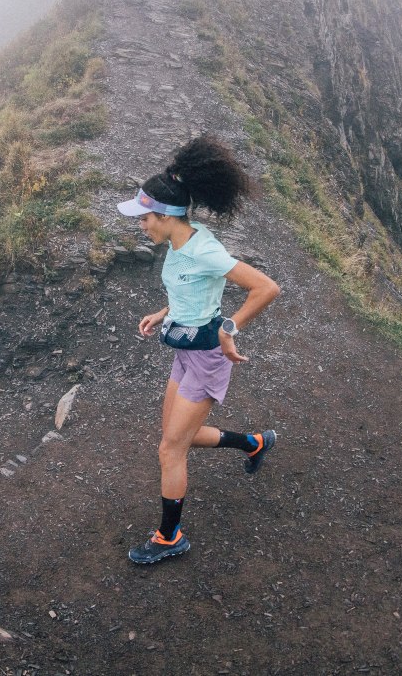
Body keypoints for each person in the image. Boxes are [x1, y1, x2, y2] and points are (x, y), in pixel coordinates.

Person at [117, 135, 281, 564]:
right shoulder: (178, 243)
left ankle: (170, 537)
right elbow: (192, 289)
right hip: (183, 350)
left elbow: (266, 288)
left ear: (166, 215)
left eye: (144, 218)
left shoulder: (205, 249)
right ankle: (254, 443)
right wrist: (164, 311)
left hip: (208, 357)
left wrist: (230, 327)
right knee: (176, 437)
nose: (141, 225)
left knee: (170, 448)